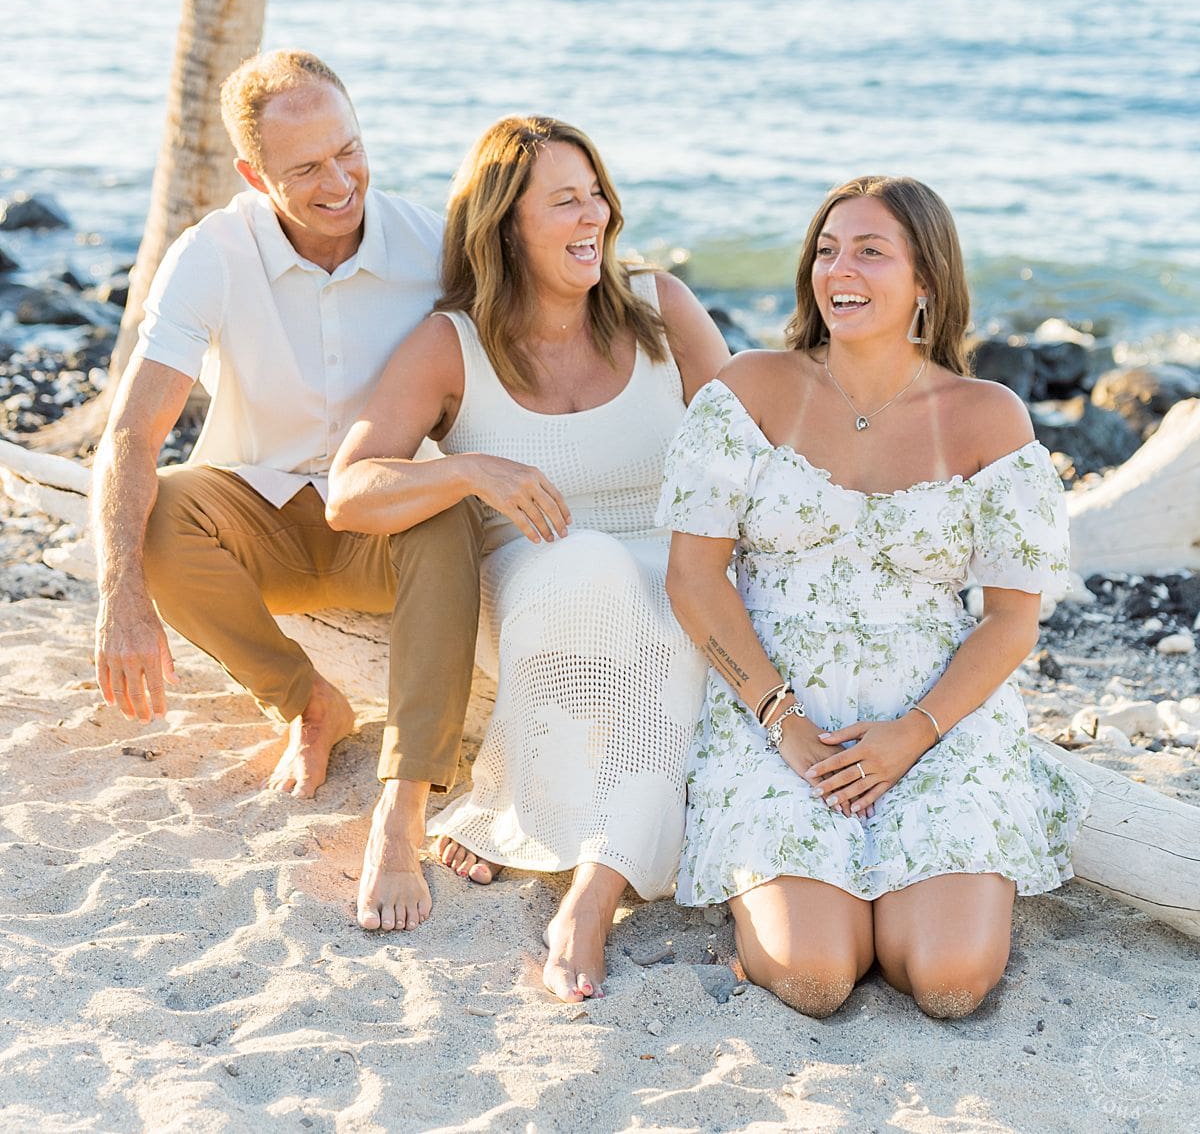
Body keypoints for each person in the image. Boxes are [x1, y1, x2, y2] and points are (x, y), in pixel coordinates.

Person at [661, 175, 1092, 1021]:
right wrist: (781, 721)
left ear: (926, 279)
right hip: (780, 713)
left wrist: (914, 734)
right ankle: (795, 913)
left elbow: (1011, 619)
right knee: (816, 977)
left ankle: (898, 897)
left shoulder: (988, 416)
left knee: (950, 980)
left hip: (938, 717)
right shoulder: (750, 392)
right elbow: (694, 577)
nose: (838, 269)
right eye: (826, 250)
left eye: (868, 250)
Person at [326, 115, 729, 1001]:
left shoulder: (663, 309)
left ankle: (591, 887)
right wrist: (468, 467)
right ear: (507, 221)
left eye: (597, 196)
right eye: (564, 201)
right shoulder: (451, 345)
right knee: (600, 571)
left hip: (673, 580)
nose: (594, 217)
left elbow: (751, 452)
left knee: (682, 603)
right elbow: (346, 492)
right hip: (543, 584)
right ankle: (547, 814)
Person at [92, 49, 483, 936]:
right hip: (262, 521)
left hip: (386, 522)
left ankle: (402, 802)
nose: (340, 181)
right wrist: (119, 600)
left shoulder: (432, 244)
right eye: (306, 168)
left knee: (441, 510)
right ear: (254, 175)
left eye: (349, 150)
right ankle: (307, 701)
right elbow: (132, 433)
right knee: (163, 513)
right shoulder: (213, 253)